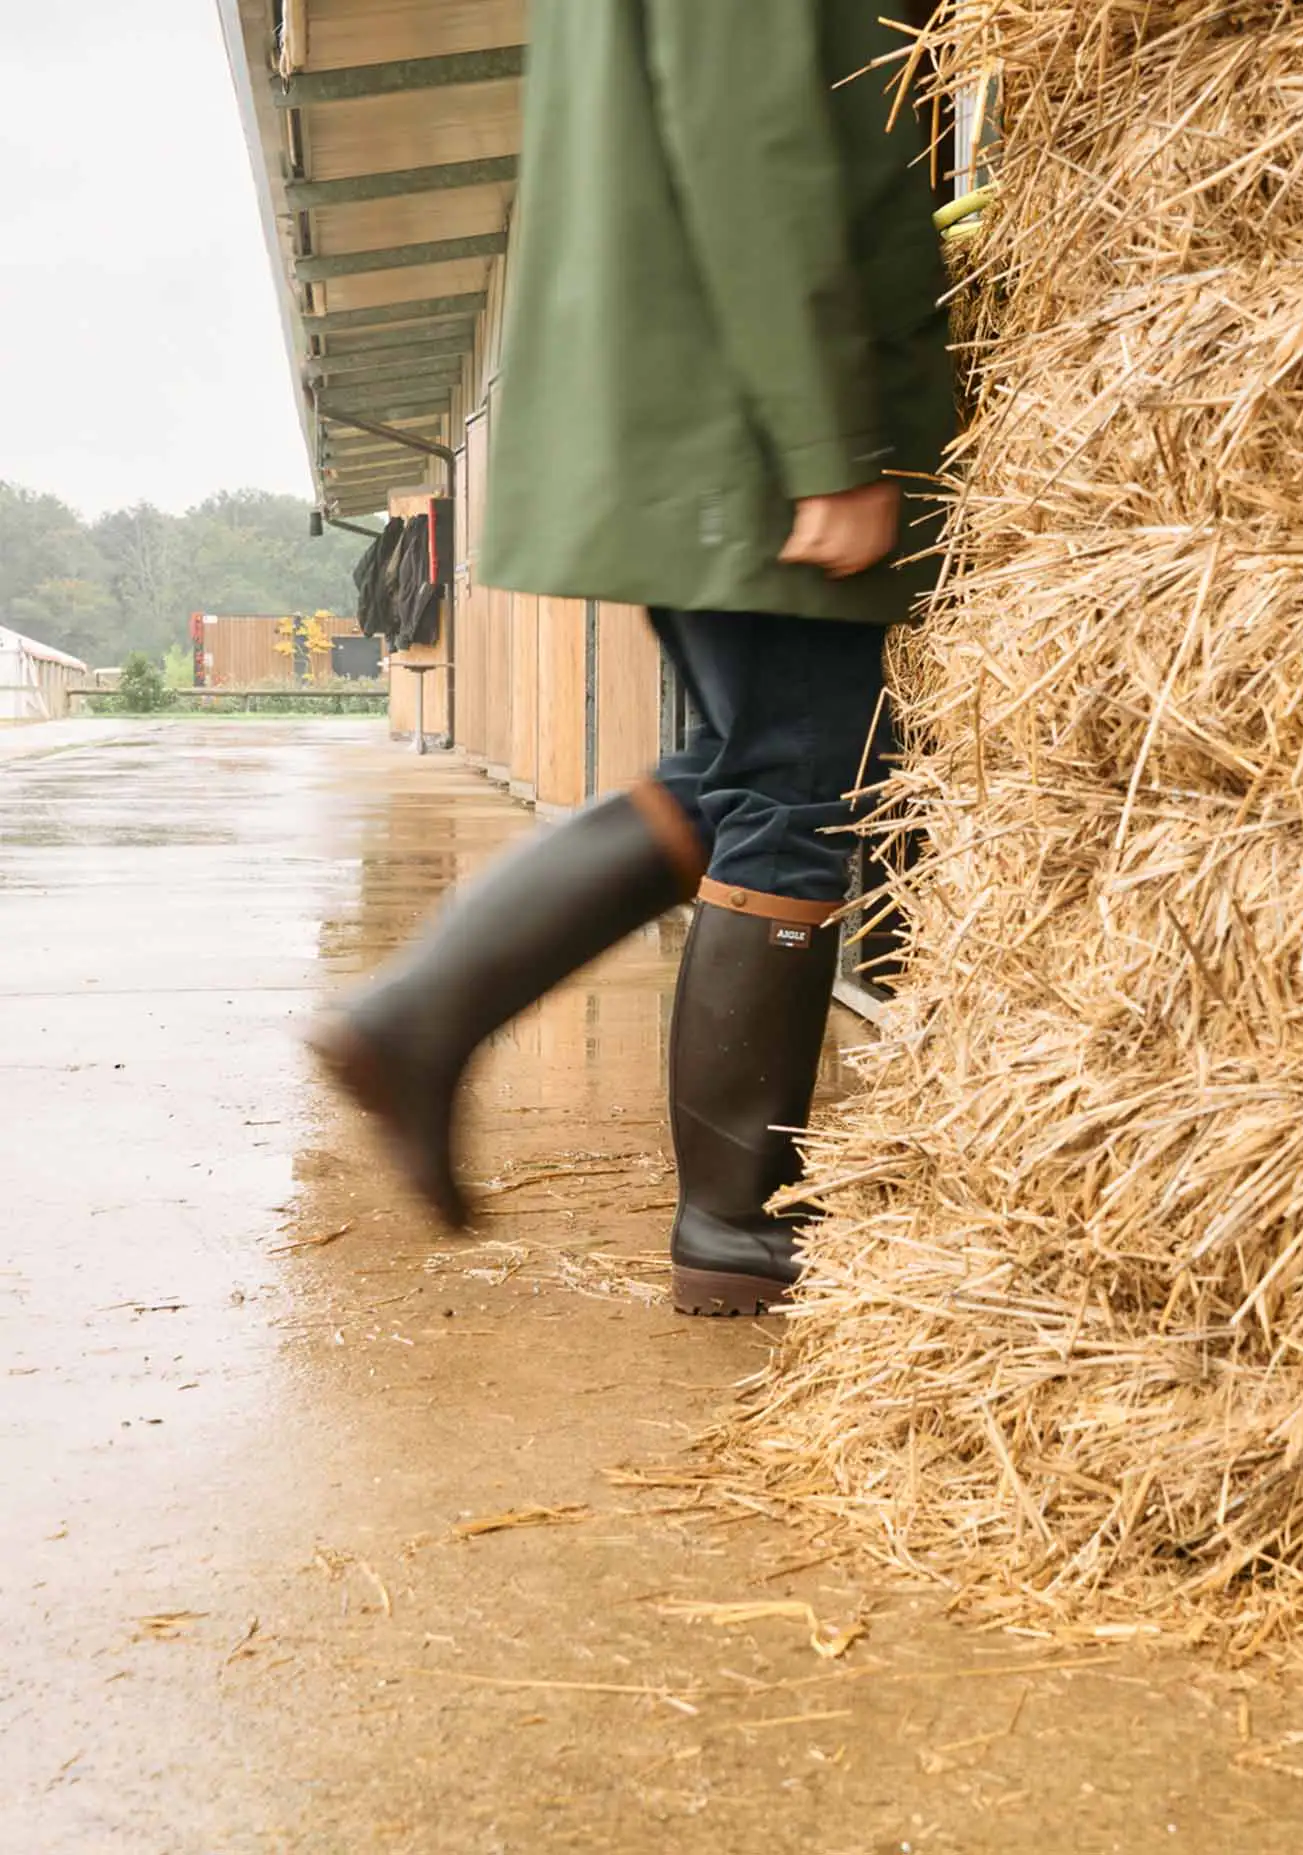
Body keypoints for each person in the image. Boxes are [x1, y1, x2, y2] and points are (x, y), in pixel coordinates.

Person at [310, 1, 958, 1316]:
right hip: (747, 420)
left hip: (704, 411)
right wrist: (832, 434)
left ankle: (420, 1020)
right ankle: (734, 1216)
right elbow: (754, 139)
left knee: (735, 767)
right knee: (799, 784)